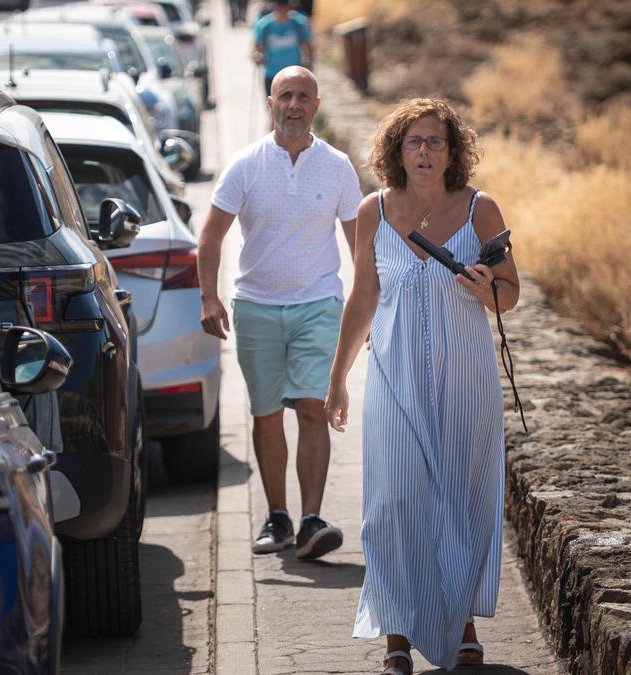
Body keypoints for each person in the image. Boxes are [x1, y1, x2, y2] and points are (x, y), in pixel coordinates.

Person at [323, 98, 520, 673]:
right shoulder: (372, 212)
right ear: (396, 152)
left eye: (436, 141)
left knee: (459, 501)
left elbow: (511, 293)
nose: (426, 152)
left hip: (465, 380)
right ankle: (396, 638)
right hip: (394, 377)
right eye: (415, 142)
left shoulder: (481, 209)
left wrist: (488, 289)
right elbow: (363, 297)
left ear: (453, 151)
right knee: (393, 504)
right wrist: (337, 378)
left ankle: (460, 622)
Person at [198, 66, 362, 561]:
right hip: (257, 309)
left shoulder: (337, 166)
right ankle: (278, 517)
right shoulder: (246, 165)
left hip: (319, 306)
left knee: (313, 408)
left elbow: (362, 245)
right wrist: (210, 297)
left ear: (316, 105)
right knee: (266, 415)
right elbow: (210, 237)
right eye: (285, 95)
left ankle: (311, 520)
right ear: (270, 103)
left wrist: (374, 311)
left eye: (304, 96)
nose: (294, 104)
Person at [253, 1, 313, 99]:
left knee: (291, 106)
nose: (282, 10)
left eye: (284, 7)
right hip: (272, 73)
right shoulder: (264, 25)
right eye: (279, 7)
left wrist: (310, 64)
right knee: (273, 105)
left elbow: (308, 44)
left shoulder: (298, 23)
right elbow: (257, 46)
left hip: (294, 73)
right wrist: (257, 56)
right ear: (274, 8)